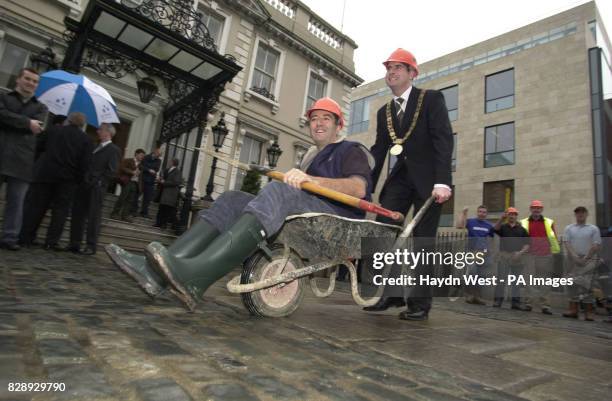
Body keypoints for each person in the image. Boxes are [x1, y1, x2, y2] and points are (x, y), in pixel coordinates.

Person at [106, 97, 373, 310]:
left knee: (279, 191)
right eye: (314, 119)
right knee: (232, 198)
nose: (318, 123)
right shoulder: (312, 157)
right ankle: (160, 272)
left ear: (339, 125)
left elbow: (358, 188)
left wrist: (308, 180)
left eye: (326, 119)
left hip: (333, 219)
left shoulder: (350, 150)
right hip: (309, 212)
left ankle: (198, 276)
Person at [363, 49, 453, 321]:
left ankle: (420, 304)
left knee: (423, 243)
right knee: (384, 235)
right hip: (400, 179)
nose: (391, 72)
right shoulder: (385, 112)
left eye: (398, 67)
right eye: (388, 68)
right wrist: (364, 185)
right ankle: (389, 295)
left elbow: (443, 139)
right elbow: (380, 151)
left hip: (430, 181)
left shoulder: (431, 99)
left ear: (412, 73)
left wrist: (443, 181)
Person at [19, 112, 93, 249]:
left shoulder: (53, 130)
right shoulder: (86, 140)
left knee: (36, 207)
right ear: (82, 124)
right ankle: (51, 242)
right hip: (68, 180)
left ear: (68, 120)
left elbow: (37, 146)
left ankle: (25, 237)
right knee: (60, 211)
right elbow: (85, 164)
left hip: (45, 174)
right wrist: (79, 180)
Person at [0, 67, 48, 251]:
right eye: (28, 79)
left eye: (35, 81)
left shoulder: (41, 107)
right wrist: (27, 122)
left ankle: (10, 237)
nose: (31, 83)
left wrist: (13, 121)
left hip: (22, 161)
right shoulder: (4, 98)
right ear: (18, 79)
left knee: (16, 202)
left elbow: (38, 127)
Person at [67, 123, 120, 255]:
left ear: (108, 133)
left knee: (93, 217)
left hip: (96, 187)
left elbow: (111, 171)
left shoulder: (114, 150)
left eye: (100, 130)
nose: (97, 131)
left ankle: (91, 246)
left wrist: (98, 181)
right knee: (77, 214)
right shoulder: (94, 146)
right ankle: (75, 243)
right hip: (83, 185)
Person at [520, 200, 560, 315]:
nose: (536, 210)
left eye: (538, 208)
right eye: (534, 208)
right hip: (529, 255)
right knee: (528, 281)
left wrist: (554, 253)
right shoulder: (523, 222)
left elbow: (553, 238)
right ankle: (529, 303)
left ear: (541, 209)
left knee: (545, 282)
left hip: (545, 255)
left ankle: (545, 305)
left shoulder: (549, 222)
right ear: (530, 209)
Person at [562, 206, 601, 321]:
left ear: (587, 214)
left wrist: (586, 258)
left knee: (588, 286)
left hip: (589, 260)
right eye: (578, 213)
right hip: (572, 260)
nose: (580, 214)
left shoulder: (593, 228)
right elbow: (567, 243)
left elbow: (596, 245)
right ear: (575, 215)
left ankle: (589, 312)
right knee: (572, 285)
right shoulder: (569, 228)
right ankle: (573, 310)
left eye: (583, 212)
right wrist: (574, 256)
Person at [493, 207, 530, 310]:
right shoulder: (503, 227)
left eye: (514, 214)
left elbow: (527, 245)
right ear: (508, 216)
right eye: (510, 214)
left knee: (516, 281)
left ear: (516, 216)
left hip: (517, 257)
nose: (512, 216)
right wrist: (501, 218)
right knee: (501, 280)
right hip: (504, 256)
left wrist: (520, 253)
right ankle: (498, 301)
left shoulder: (522, 230)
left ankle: (515, 303)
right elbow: (495, 229)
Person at [456, 205, 494, 305]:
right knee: (472, 274)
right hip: (472, 252)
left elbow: (490, 239)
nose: (482, 214)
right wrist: (463, 213)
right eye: (480, 212)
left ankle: (477, 297)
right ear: (477, 212)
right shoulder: (471, 221)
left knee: (482, 276)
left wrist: (489, 251)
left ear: (486, 214)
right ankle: (469, 295)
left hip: (484, 254)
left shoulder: (489, 225)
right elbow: (459, 226)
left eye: (484, 212)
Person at [111, 148, 145, 222]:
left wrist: (140, 187)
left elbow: (140, 177)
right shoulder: (128, 160)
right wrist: (131, 172)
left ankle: (125, 215)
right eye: (141, 155)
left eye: (143, 156)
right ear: (136, 154)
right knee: (122, 198)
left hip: (135, 184)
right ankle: (114, 213)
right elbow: (122, 168)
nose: (142, 157)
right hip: (127, 182)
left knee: (130, 200)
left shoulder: (141, 165)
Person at [154, 158, 182, 230]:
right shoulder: (167, 170)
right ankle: (158, 223)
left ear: (173, 162)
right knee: (161, 208)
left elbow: (176, 182)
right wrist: (160, 180)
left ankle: (164, 224)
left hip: (170, 194)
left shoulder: (177, 172)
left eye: (170, 161)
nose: (169, 162)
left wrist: (164, 182)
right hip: (164, 193)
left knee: (167, 210)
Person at [139, 146, 162, 218]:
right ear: (154, 152)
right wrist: (149, 170)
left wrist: (148, 167)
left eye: (159, 155)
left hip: (151, 181)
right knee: (138, 194)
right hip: (142, 179)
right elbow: (141, 166)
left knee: (147, 198)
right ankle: (133, 210)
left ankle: (144, 212)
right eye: (158, 155)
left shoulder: (159, 160)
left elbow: (157, 169)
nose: (158, 156)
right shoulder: (146, 157)